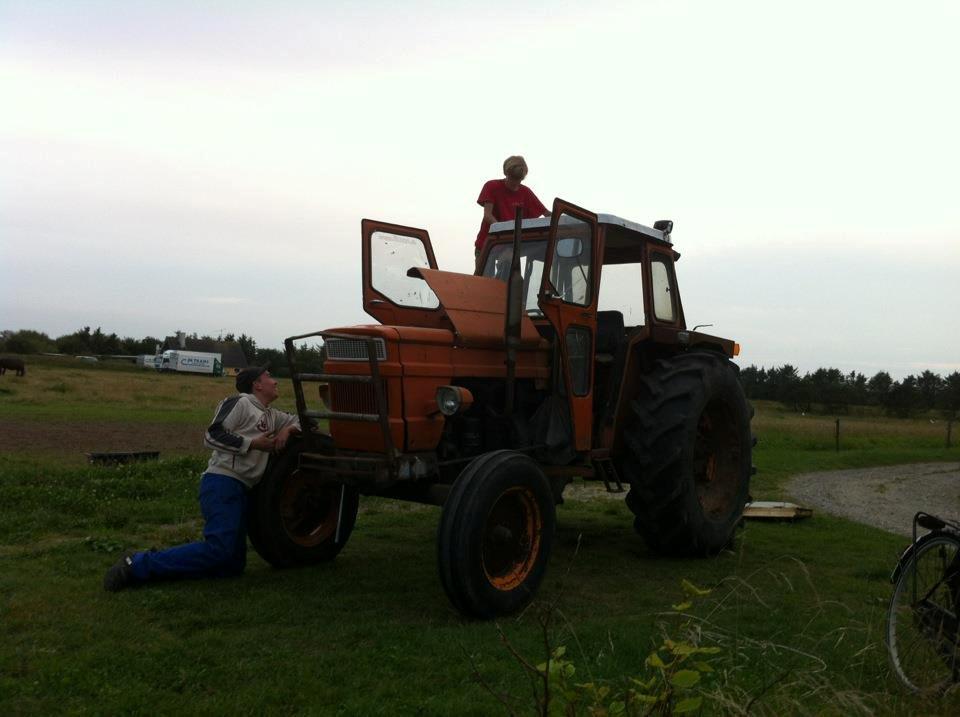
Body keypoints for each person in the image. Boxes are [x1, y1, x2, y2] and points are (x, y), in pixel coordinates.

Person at [103, 366, 300, 591]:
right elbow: (212, 435)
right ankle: (136, 565)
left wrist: (288, 431)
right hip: (223, 482)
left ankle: (171, 567)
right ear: (257, 385)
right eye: (269, 377)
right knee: (219, 549)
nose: (275, 382)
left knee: (232, 565)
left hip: (242, 489)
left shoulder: (272, 415)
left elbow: (305, 420)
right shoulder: (240, 403)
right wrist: (253, 444)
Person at [475, 155, 551, 259]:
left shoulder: (526, 192)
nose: (515, 183)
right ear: (506, 173)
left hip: (509, 248)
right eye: (513, 178)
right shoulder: (492, 186)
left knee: (508, 271)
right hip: (489, 245)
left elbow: (548, 215)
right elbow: (487, 215)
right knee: (483, 275)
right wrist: (503, 230)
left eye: (519, 180)